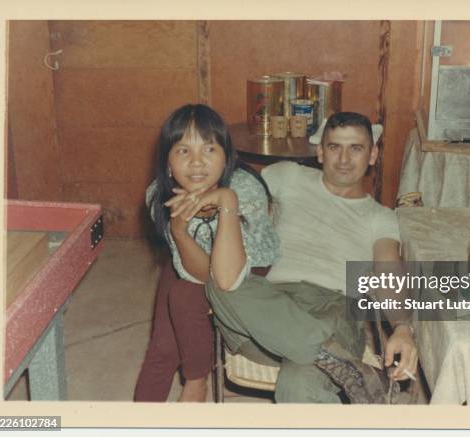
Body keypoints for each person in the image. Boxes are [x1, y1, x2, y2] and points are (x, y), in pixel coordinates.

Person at [206, 111, 418, 403]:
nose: (344, 159)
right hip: (268, 312)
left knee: (298, 381)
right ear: (320, 152)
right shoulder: (288, 176)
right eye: (334, 147)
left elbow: (387, 272)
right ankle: (330, 354)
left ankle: (322, 350)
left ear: (372, 155)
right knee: (220, 281)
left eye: (355, 148)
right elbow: (234, 185)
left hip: (334, 307)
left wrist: (403, 327)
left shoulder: (380, 218)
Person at [134, 103, 280, 402]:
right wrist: (178, 230)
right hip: (191, 261)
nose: (197, 162)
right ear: (167, 163)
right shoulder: (158, 196)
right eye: (183, 150)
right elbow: (199, 273)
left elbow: (225, 279)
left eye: (209, 149)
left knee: (184, 296)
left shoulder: (245, 189)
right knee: (163, 347)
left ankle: (196, 381)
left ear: (226, 157)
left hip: (244, 264)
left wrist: (226, 200)